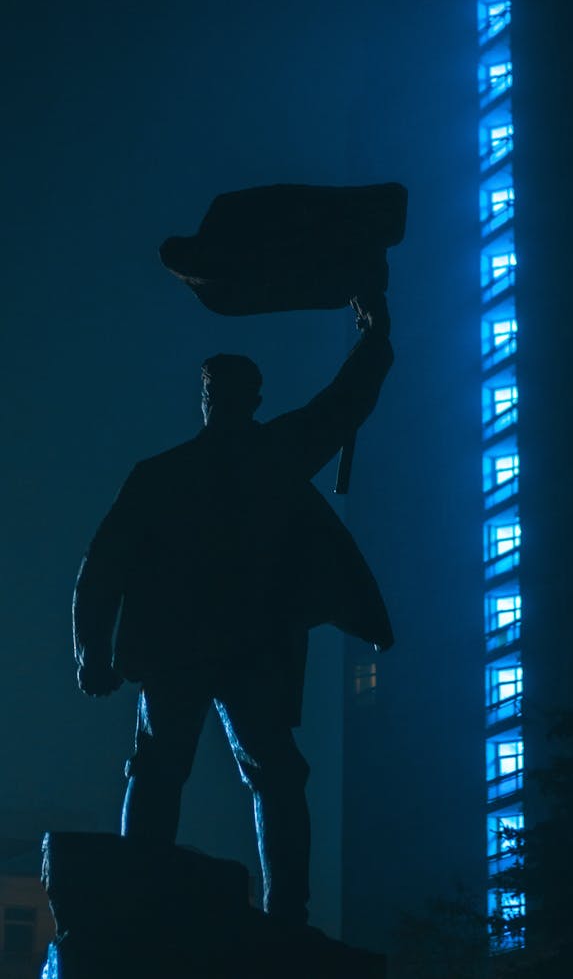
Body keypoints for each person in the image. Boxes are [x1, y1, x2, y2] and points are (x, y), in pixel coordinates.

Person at [72, 295, 394, 929]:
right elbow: (101, 563)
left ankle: (281, 917)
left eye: (223, 391)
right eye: (214, 390)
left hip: (234, 646)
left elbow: (347, 397)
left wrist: (376, 337)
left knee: (249, 770)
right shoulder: (210, 466)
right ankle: (257, 914)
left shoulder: (190, 469)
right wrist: (90, 649)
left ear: (242, 399)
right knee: (187, 767)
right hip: (216, 647)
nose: (217, 400)